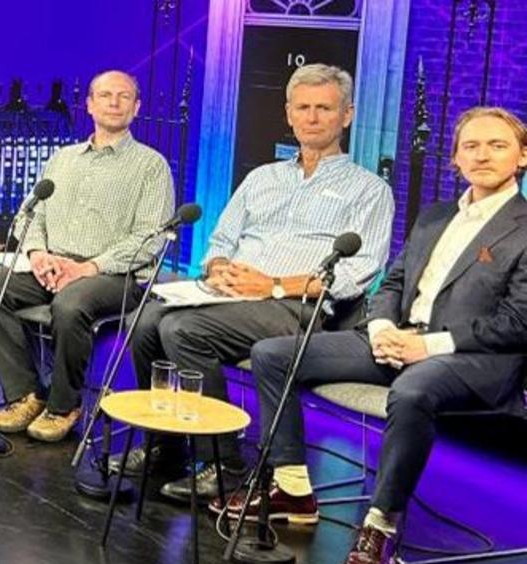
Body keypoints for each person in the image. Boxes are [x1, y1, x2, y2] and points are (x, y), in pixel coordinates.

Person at [229, 107, 527, 564]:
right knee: (273, 354)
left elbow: (518, 321)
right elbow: (391, 285)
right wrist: (383, 328)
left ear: (522, 156)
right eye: (471, 146)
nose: (482, 155)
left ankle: (380, 524)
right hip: (401, 341)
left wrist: (426, 346)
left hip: (472, 356)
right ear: (456, 158)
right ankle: (292, 487)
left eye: (497, 145)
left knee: (412, 391)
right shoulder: (435, 216)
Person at [123, 64, 394, 502]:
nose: (312, 117)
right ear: (288, 114)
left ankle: (223, 463)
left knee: (182, 330)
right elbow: (220, 240)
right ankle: (167, 447)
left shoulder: (369, 190)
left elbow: (356, 274)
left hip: (296, 308)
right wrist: (216, 268)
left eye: (324, 108)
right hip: (228, 298)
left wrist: (271, 284)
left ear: (346, 116)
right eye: (303, 108)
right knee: (146, 322)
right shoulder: (262, 178)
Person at [0, 69, 174, 443]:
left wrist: (88, 267)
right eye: (105, 95)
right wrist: (40, 254)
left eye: (123, 96)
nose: (114, 102)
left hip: (114, 276)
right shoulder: (62, 159)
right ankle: (25, 394)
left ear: (137, 107)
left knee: (70, 303)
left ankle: (64, 405)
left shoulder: (151, 166)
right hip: (52, 265)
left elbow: (150, 238)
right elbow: (32, 215)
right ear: (89, 104)